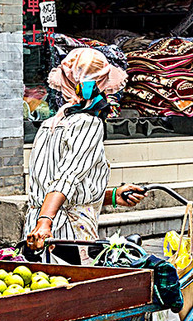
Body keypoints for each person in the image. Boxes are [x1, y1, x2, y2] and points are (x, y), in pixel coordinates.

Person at [24, 46, 143, 263]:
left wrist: (113, 196)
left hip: (38, 233)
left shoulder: (50, 124)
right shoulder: (89, 123)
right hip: (67, 234)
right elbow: (66, 179)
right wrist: (45, 222)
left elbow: (64, 184)